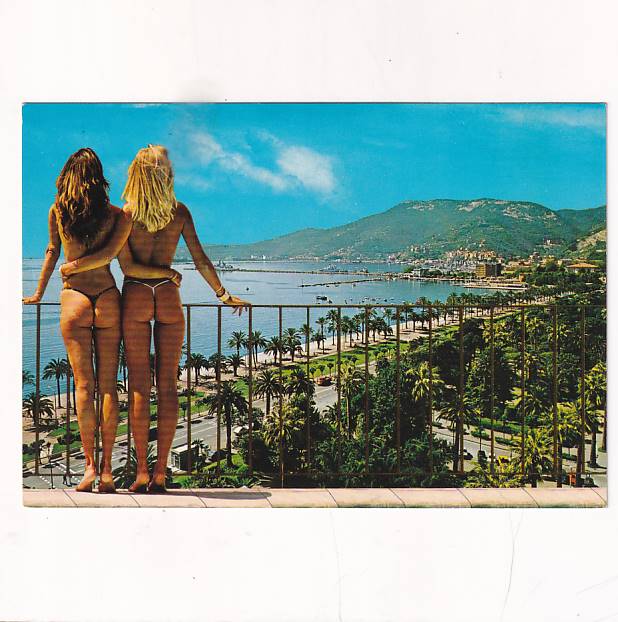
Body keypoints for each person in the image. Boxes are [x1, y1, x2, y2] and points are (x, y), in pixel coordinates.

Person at [61, 144, 248, 492]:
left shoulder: (127, 214)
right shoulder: (180, 212)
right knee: (168, 387)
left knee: (138, 387)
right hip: (168, 298)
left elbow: (128, 268)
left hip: (136, 299)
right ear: (165, 174)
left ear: (136, 173)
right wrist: (223, 294)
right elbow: (201, 259)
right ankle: (161, 472)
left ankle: (142, 472)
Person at [23, 148, 177, 493]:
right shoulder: (116, 215)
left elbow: (52, 251)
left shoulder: (58, 210)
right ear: (99, 179)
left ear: (67, 176)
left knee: (83, 387)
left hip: (74, 298)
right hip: (107, 297)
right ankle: (108, 471)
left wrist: (38, 292)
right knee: (109, 387)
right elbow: (115, 258)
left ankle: (90, 467)